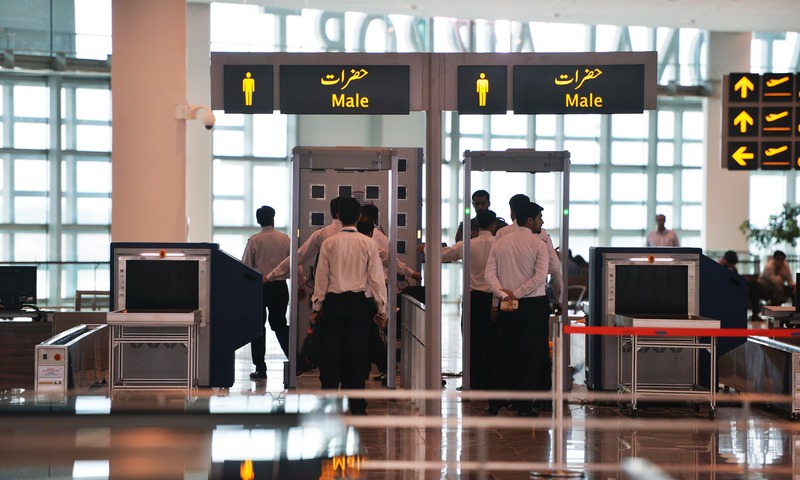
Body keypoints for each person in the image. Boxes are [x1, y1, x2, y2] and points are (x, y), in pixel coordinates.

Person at [310, 197, 387, 416]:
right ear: (359, 217)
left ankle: (329, 404)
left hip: (333, 304)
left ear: (339, 217)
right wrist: (382, 309)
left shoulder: (329, 242)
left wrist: (317, 307)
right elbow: (376, 279)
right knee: (357, 356)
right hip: (358, 305)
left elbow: (321, 278)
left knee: (331, 355)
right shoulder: (368, 243)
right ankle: (357, 406)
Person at [484, 202, 550, 417]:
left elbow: (489, 276)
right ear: (529, 220)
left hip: (507, 305)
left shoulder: (501, 242)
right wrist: (519, 293)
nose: (542, 221)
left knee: (504, 352)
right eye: (540, 217)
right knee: (530, 355)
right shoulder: (539, 243)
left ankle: (494, 404)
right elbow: (541, 277)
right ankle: (524, 406)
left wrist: (504, 294)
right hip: (533, 305)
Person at [420, 209, 498, 390]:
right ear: (493, 225)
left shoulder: (469, 244)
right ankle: (489, 383)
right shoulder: (499, 244)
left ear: (477, 224)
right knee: (492, 342)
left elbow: (442, 254)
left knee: (472, 342)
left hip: (473, 298)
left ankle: (472, 382)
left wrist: (425, 248)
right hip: (494, 298)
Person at [241, 205, 291, 379]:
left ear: (258, 220)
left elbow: (245, 267)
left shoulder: (254, 241)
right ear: (273, 218)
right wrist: (300, 285)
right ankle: (293, 362)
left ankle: (260, 368)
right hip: (280, 287)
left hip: (259, 288)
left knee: (258, 327)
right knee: (280, 325)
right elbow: (294, 263)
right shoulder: (285, 239)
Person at [496, 194, 563, 316]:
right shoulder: (541, 235)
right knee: (536, 335)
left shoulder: (502, 234)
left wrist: (495, 304)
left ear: (512, 211)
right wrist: (559, 299)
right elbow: (555, 269)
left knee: (509, 334)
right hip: (535, 299)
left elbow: (494, 272)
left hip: (507, 300)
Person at [264, 196, 343, 290]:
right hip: (356, 293)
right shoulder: (361, 236)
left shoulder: (322, 234)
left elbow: (298, 256)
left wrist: (270, 277)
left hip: (328, 289)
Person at [754, 250, 796, 318]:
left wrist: (794, 286)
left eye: (782, 259)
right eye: (778, 259)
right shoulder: (769, 266)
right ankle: (776, 311)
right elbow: (775, 282)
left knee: (795, 290)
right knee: (777, 289)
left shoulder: (785, 265)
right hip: (764, 288)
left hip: (778, 288)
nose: (780, 261)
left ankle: (795, 313)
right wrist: (780, 272)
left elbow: (789, 279)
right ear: (774, 259)